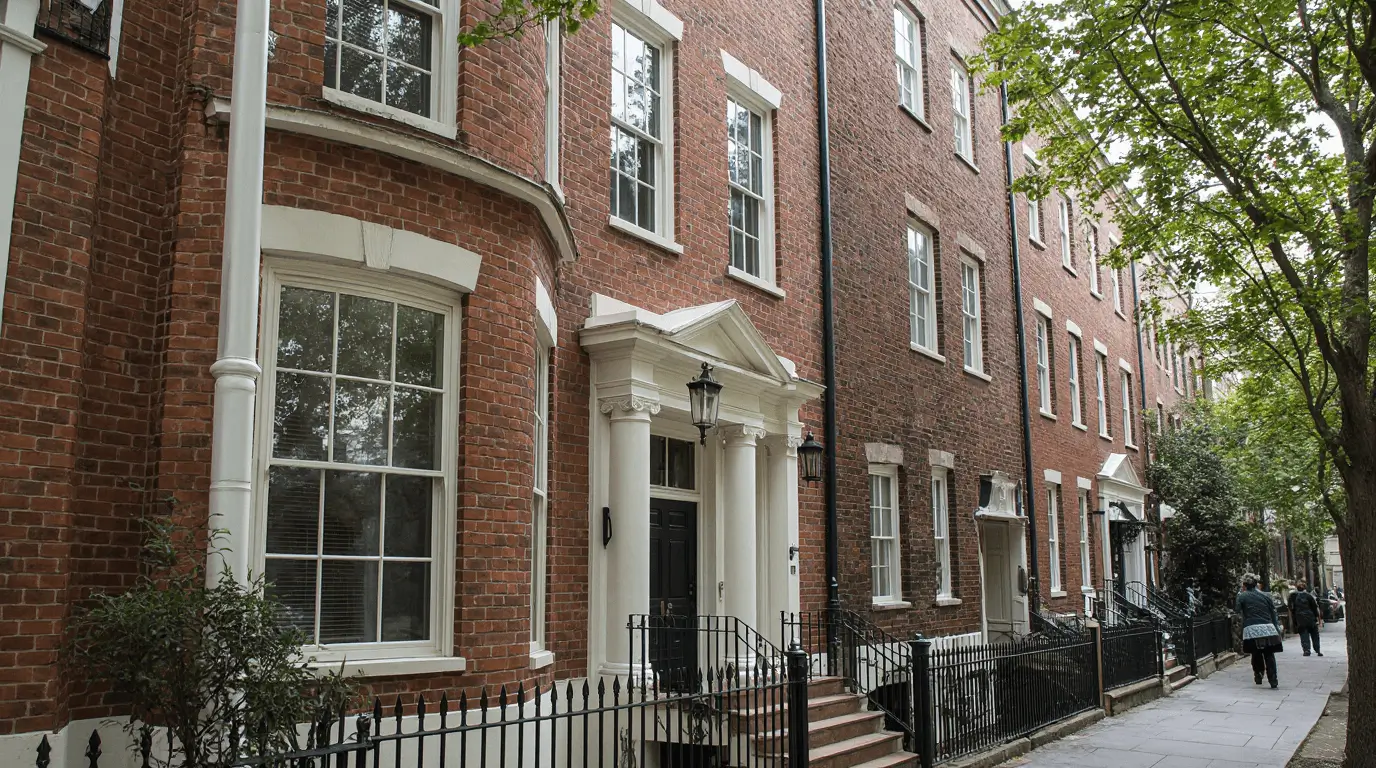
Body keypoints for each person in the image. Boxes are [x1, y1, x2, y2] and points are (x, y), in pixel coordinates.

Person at [1236, 573, 1283, 688]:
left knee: (1256, 653)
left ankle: (1258, 674)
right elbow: (1273, 613)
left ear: (1244, 585)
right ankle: (1273, 679)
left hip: (1251, 628)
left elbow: (1237, 611)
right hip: (1268, 628)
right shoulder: (1267, 596)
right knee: (1269, 654)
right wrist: (1276, 628)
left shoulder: (1242, 596)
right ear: (1256, 584)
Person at [1288, 580, 1324, 657]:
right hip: (1311, 618)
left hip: (1300, 618)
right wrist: (1318, 618)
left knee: (1304, 634)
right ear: (1305, 588)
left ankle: (1306, 650)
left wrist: (1295, 619)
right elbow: (1314, 608)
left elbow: (1291, 608)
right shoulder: (1309, 596)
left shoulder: (1293, 596)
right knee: (1315, 634)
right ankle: (1318, 650)